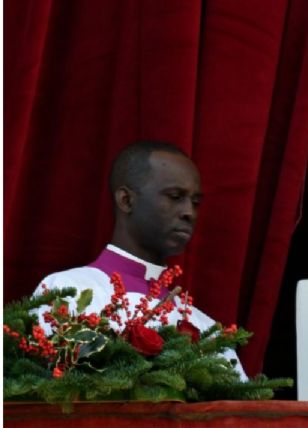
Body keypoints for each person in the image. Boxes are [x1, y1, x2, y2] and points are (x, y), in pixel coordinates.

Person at [34, 140, 245, 378]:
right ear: (126, 200)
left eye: (195, 202)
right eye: (175, 196)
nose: (189, 212)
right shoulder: (66, 291)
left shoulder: (206, 328)